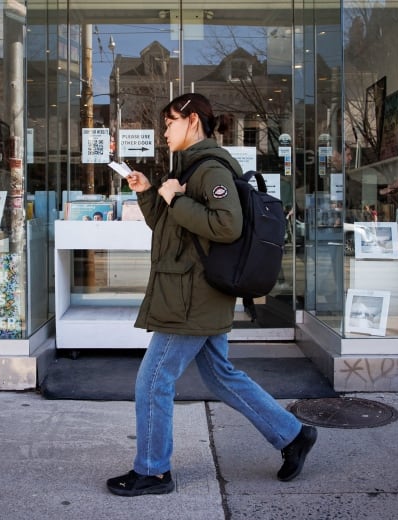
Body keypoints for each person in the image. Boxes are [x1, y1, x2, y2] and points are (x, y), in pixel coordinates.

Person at [106, 93, 317, 497]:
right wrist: (150, 192)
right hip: (195, 292)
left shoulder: (210, 170)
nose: (164, 130)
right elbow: (173, 230)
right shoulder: (187, 169)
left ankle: (152, 471)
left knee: (153, 381)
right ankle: (293, 436)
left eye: (170, 121)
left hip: (192, 297)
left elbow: (227, 226)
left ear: (193, 122)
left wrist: (177, 198)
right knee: (221, 376)